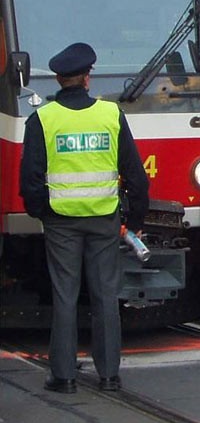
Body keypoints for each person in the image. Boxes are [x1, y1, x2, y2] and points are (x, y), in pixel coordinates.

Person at [20, 42, 149, 394]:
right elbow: (136, 175)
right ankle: (109, 376)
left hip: (61, 221)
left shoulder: (43, 119)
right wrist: (134, 221)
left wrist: (41, 212)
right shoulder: (110, 115)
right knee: (106, 295)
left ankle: (63, 377)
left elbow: (30, 178)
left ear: (59, 80)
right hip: (104, 219)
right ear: (88, 78)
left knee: (65, 295)